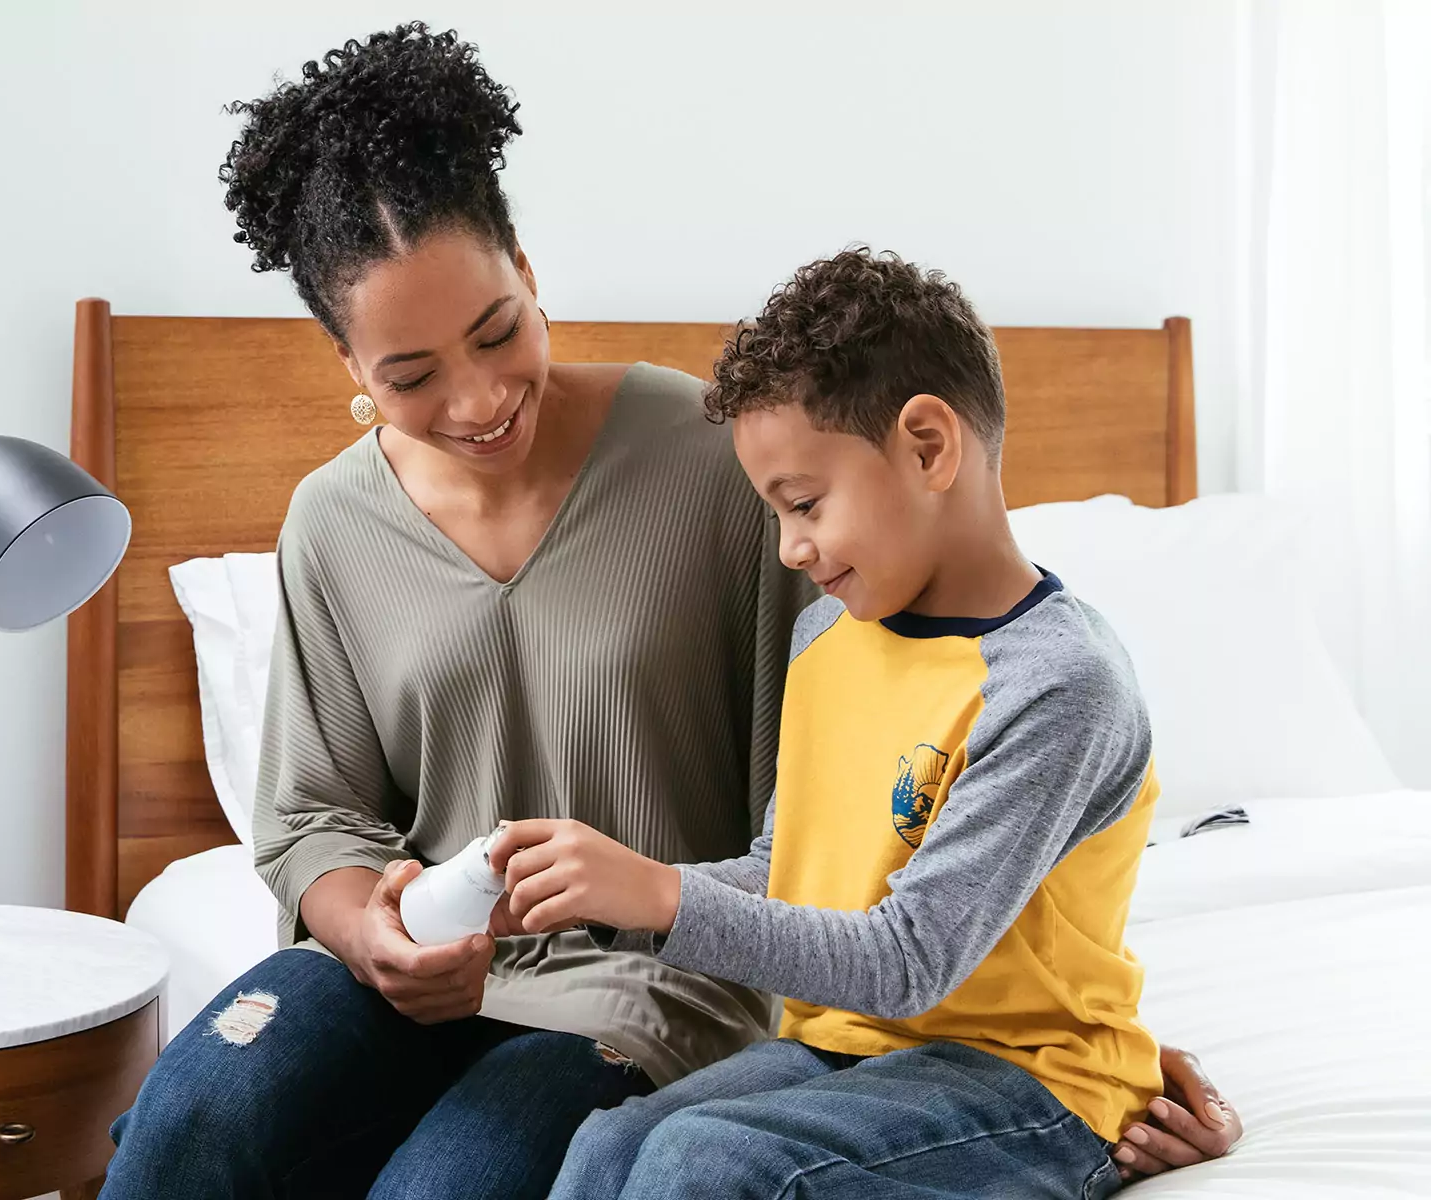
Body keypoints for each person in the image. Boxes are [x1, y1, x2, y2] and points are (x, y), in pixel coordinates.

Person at [97, 25, 1238, 1200]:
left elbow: (897, 810)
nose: (479, 399)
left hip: (647, 989)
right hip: (418, 969)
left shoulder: (726, 461)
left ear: (527, 271)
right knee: (187, 1125)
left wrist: (1082, 1070)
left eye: (497, 331)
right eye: (413, 375)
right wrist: (372, 935)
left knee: (450, 1186)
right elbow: (312, 816)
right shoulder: (330, 523)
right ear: (346, 361)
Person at [513, 248, 1180, 1200]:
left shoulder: (1058, 683)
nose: (792, 548)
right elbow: (786, 875)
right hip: (845, 1050)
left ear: (928, 447)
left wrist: (660, 894)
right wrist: (599, 898)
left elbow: (910, 959)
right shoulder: (827, 636)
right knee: (610, 1147)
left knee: (705, 1162)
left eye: (805, 504)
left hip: (1033, 1082)